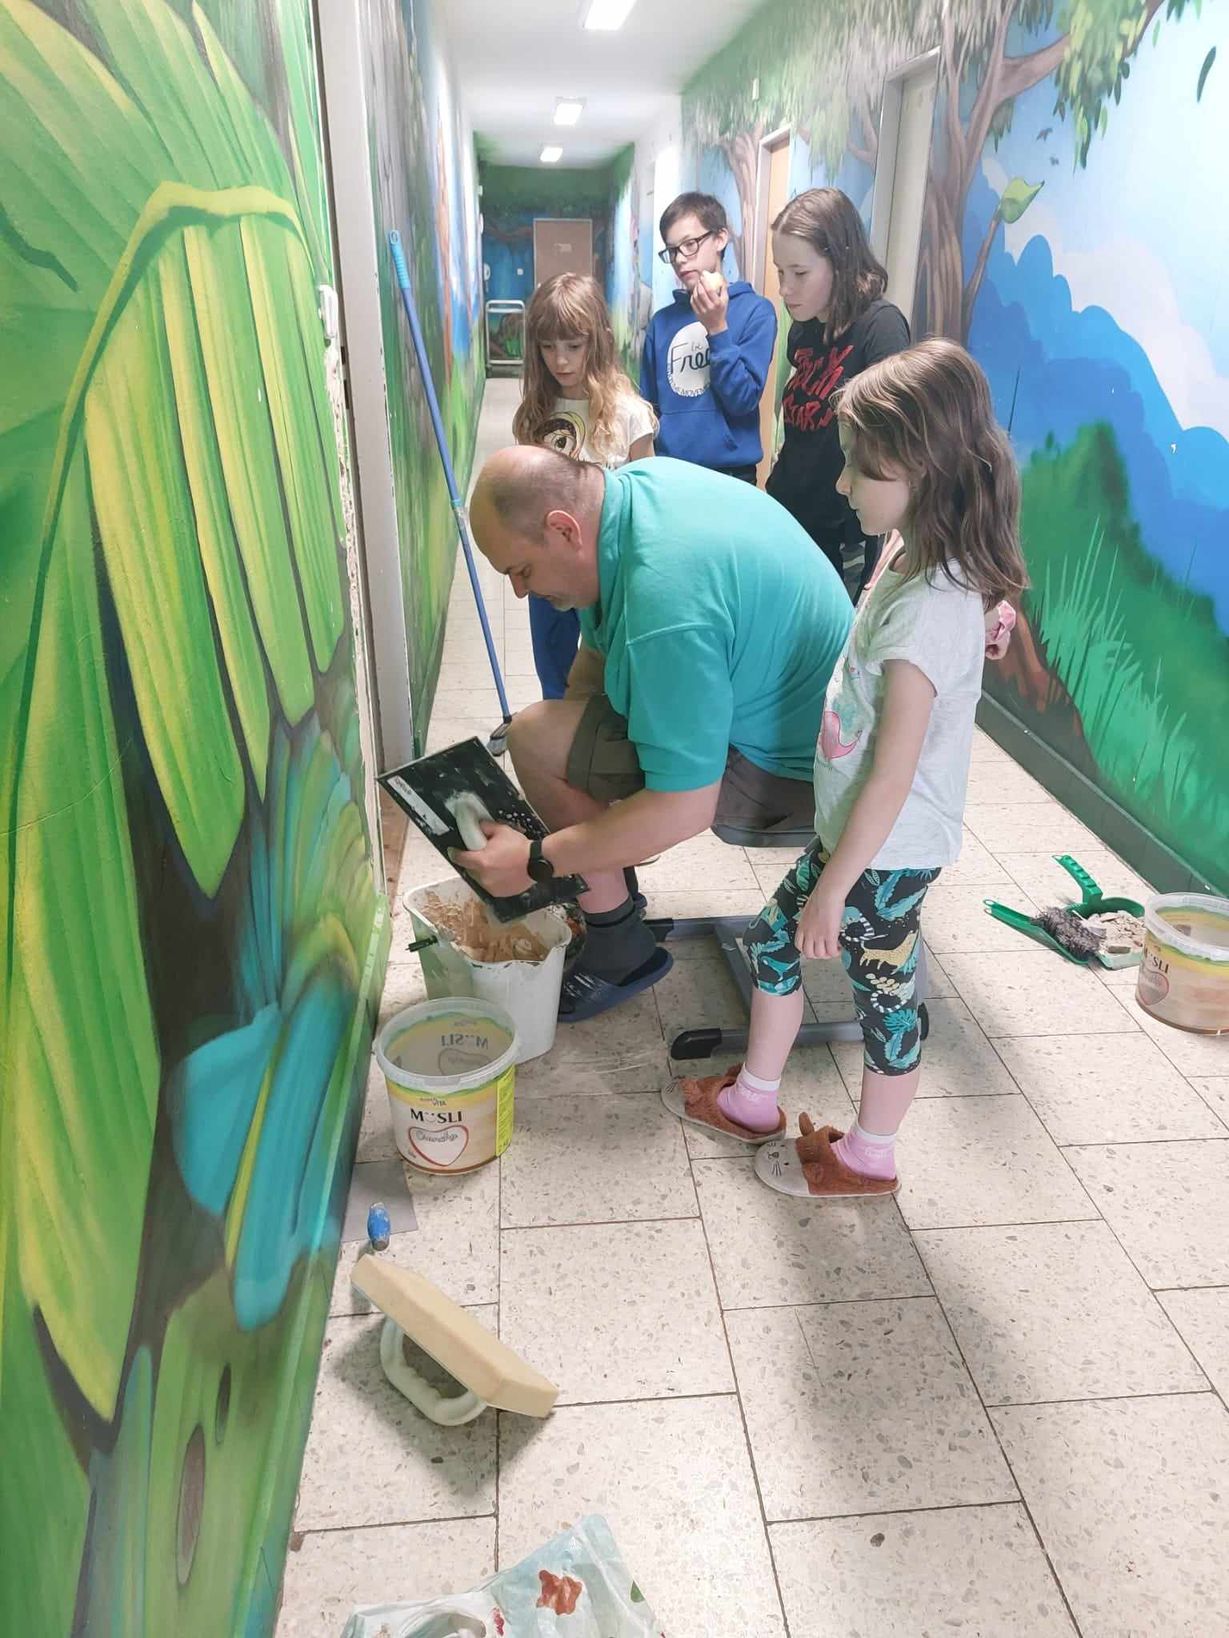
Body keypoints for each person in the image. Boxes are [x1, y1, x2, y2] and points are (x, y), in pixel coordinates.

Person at [667, 339, 1028, 1199]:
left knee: (883, 999)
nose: (840, 484)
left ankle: (870, 1156)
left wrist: (834, 886)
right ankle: (754, 1099)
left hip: (884, 852)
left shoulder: (927, 613)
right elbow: (962, 594)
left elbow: (893, 774)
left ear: (925, 473)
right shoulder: (913, 547)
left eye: (860, 468)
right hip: (855, 838)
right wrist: (990, 610)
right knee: (771, 942)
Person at [456, 447, 854, 1021]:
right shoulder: (630, 497)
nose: (520, 591)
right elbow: (591, 669)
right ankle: (609, 895)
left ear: (563, 529)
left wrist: (538, 860)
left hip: (803, 777)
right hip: (807, 728)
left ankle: (620, 950)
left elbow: (684, 809)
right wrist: (586, 828)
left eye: (522, 570)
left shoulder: (665, 602)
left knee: (534, 741)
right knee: (551, 737)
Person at [513, 273, 657, 701]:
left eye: (573, 346)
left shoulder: (629, 413)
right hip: (549, 570)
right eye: (548, 346)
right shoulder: (535, 414)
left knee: (613, 676)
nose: (560, 360)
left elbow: (648, 503)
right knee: (555, 677)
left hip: (608, 572)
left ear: (599, 341)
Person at [766, 187, 911, 598]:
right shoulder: (803, 328)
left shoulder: (880, 327)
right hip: (787, 513)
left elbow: (887, 445)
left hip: (842, 529)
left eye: (800, 273)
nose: (785, 289)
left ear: (840, 262)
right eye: (780, 272)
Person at [640, 193, 777, 483]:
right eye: (672, 250)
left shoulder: (756, 311)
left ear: (720, 238)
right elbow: (648, 409)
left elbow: (743, 399)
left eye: (690, 244)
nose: (680, 259)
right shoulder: (661, 322)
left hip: (731, 475)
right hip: (671, 474)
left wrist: (717, 329)